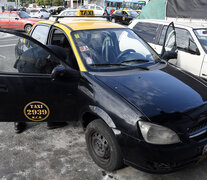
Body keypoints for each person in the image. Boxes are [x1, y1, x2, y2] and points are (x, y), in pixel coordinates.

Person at [14, 44, 69, 133]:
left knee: (25, 93)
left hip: (22, 62)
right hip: (31, 65)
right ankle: (52, 122)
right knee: (46, 92)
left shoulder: (55, 49)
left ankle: (18, 123)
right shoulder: (67, 54)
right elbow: (71, 69)